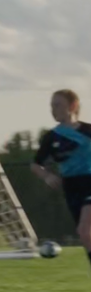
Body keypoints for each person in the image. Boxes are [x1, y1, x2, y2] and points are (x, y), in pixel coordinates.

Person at [31, 89, 91, 270]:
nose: (53, 109)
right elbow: (35, 165)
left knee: (83, 230)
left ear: (72, 106)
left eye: (58, 105)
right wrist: (47, 175)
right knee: (85, 235)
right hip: (72, 187)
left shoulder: (88, 131)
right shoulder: (51, 138)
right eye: (51, 106)